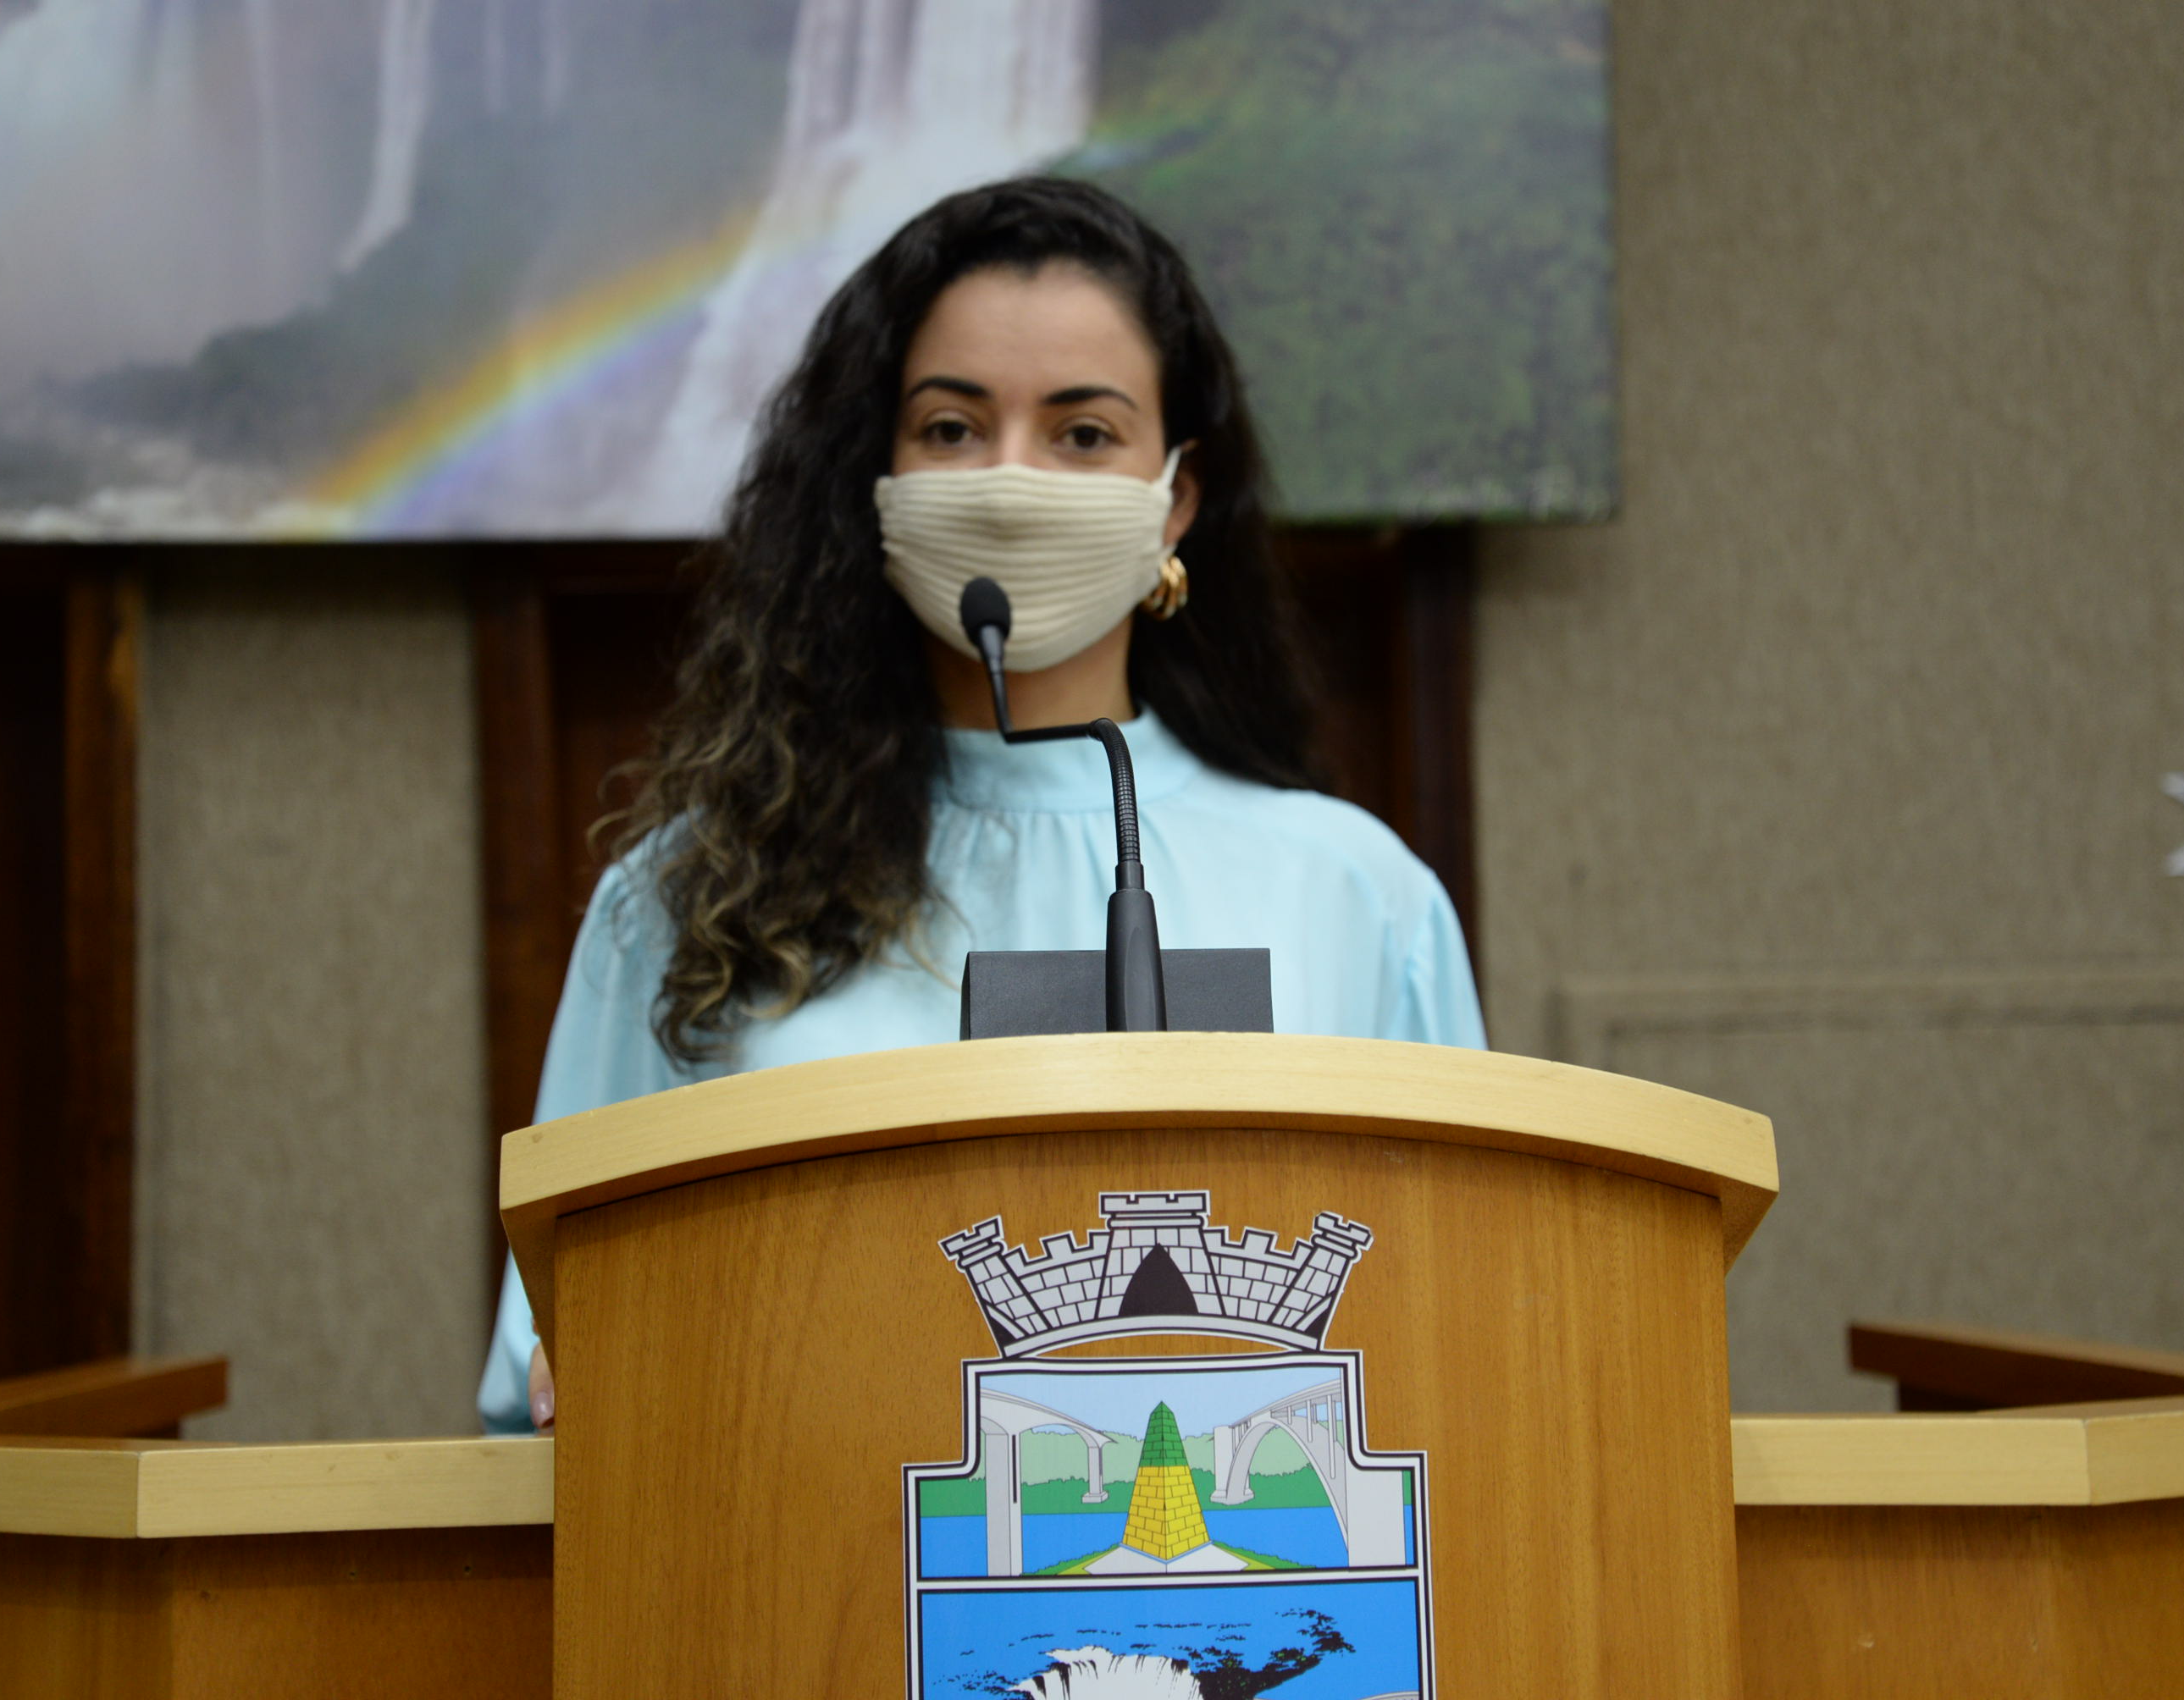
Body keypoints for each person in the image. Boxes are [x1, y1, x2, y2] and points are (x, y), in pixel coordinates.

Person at [478, 177, 1485, 1434]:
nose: (1010, 485)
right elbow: (547, 1361)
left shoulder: (1359, 894)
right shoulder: (689, 896)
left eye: (1082, 433)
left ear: (1175, 496)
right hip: (793, 1590)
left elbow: (1468, 1323)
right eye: (953, 429)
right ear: (875, 479)